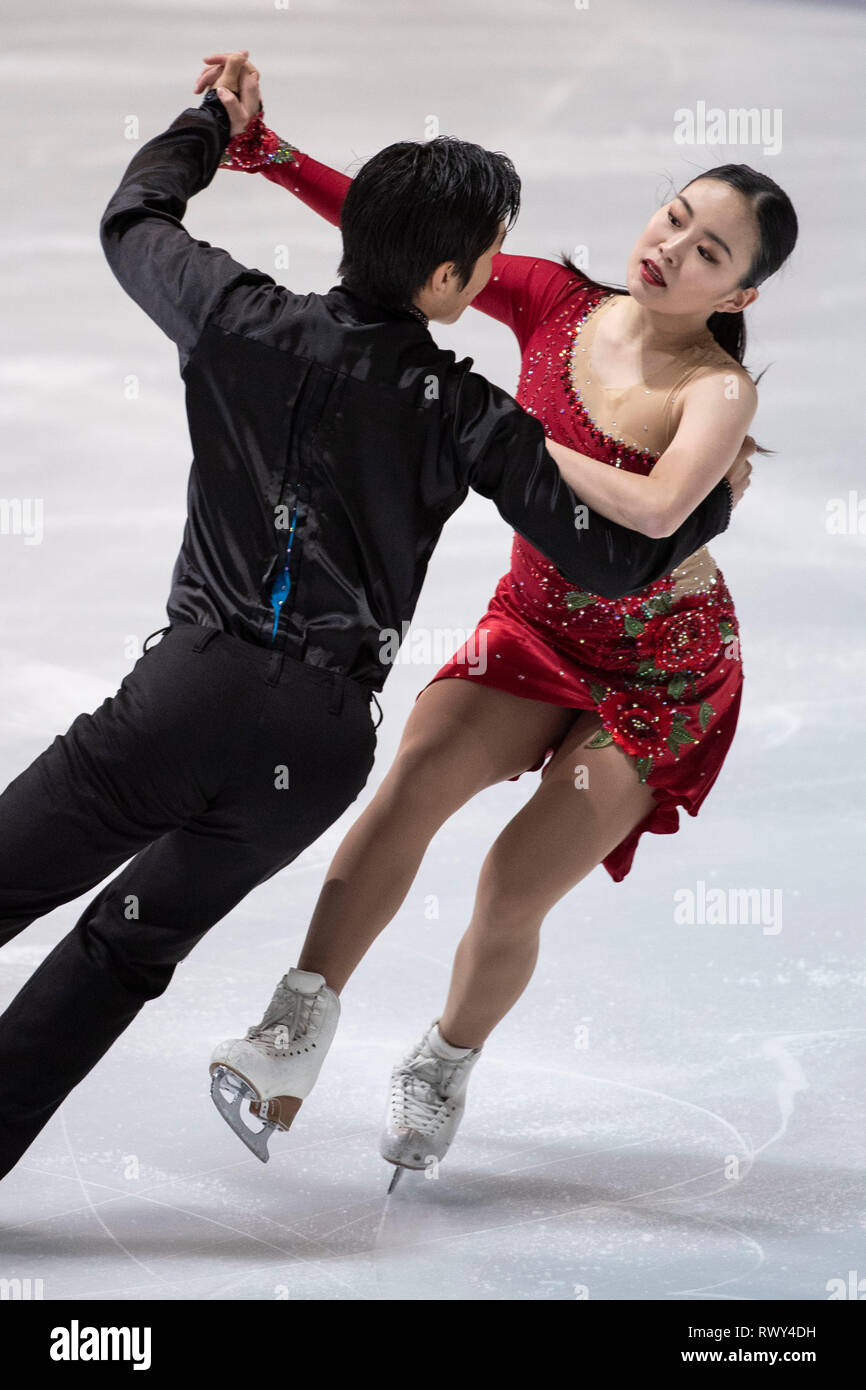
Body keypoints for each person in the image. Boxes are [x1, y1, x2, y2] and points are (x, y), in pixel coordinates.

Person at [0, 56, 741, 1183]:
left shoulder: (229, 310)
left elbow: (132, 215)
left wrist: (209, 126)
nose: (497, 272)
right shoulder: (470, 414)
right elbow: (609, 560)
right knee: (124, 944)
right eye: (486, 255)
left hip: (181, 703)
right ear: (448, 280)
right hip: (312, 748)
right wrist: (711, 504)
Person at [193, 55, 778, 1177]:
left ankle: (444, 1060)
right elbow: (415, 248)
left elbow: (657, 507)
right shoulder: (557, 302)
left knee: (511, 884)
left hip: (656, 671)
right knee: (411, 779)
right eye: (671, 217)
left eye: (708, 251)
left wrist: (501, 434)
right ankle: (292, 1026)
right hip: (537, 627)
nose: (669, 247)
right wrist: (265, 155)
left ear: (736, 295)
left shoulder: (715, 391)